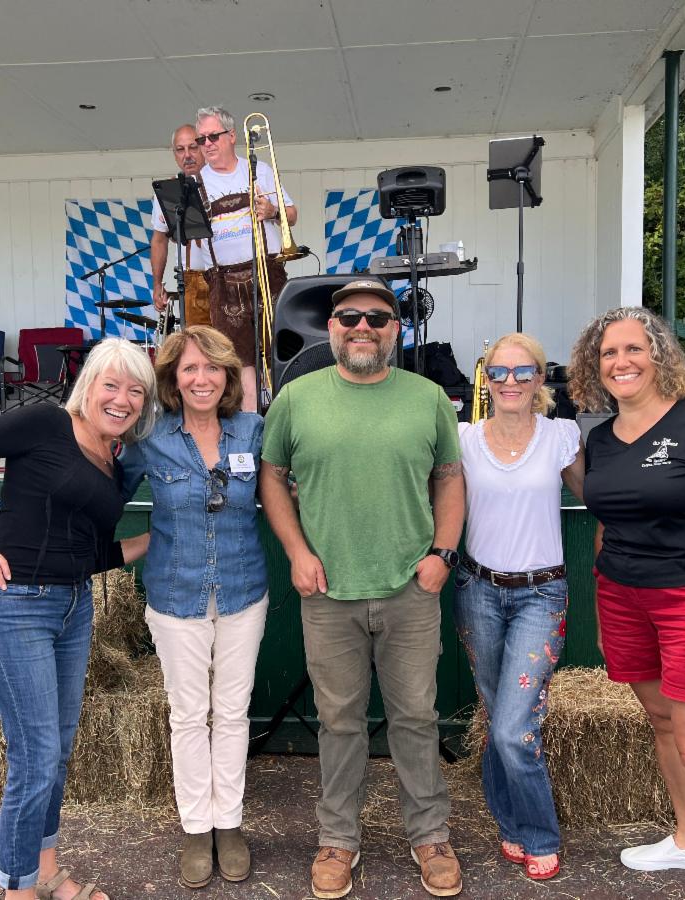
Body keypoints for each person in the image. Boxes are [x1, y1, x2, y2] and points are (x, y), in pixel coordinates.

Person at [259, 279, 464, 899]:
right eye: (349, 317)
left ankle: (430, 835)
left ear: (396, 329)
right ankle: (337, 839)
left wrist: (442, 555)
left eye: (377, 317)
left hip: (410, 588)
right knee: (339, 722)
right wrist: (297, 552)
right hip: (328, 592)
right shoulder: (296, 398)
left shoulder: (428, 398)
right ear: (332, 327)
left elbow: (449, 479)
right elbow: (272, 477)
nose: (362, 327)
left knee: (416, 719)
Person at [0, 338, 157, 900]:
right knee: (34, 758)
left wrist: (157, 541)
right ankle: (17, 890)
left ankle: (47, 872)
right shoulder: (46, 424)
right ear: (88, 386)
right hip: (15, 606)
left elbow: (91, 553)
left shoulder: (113, 461)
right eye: (111, 385)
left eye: (136, 391)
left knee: (55, 750)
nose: (122, 399)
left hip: (74, 606)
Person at [567, 306, 685, 900]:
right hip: (622, 598)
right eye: (608, 353)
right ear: (595, 367)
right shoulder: (600, 439)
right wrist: (606, 615)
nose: (621, 362)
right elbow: (606, 526)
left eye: (633, 349)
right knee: (663, 722)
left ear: (658, 356)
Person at [136, 325, 267, 889]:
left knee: (233, 712)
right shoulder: (150, 437)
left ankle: (228, 823)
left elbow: (283, 490)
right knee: (188, 714)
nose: (201, 378)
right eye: (189, 368)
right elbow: (101, 490)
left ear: (228, 375)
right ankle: (196, 828)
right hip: (175, 594)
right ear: (173, 378)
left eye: (212, 367)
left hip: (243, 588)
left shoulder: (254, 430)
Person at [453, 332, 584, 881]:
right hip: (478, 590)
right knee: (496, 716)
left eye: (522, 371)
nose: (510, 381)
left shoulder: (561, 436)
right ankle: (508, 823)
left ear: (540, 378)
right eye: (499, 371)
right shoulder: (463, 438)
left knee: (513, 728)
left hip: (541, 593)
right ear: (485, 379)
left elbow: (597, 497)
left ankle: (539, 834)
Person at [196, 105, 298, 412]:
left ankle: (287, 418)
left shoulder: (259, 170)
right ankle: (252, 425)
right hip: (223, 281)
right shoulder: (195, 183)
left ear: (231, 136)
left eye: (213, 136)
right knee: (239, 361)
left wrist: (273, 211)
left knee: (282, 350)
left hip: (268, 270)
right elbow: (183, 235)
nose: (207, 144)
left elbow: (292, 215)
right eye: (202, 139)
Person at [150, 125, 212, 328]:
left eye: (193, 147)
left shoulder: (220, 181)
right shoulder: (168, 190)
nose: (187, 155)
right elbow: (159, 240)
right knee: (196, 341)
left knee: (229, 344)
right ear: (174, 154)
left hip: (225, 277)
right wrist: (157, 284)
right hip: (191, 279)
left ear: (203, 147)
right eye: (180, 149)